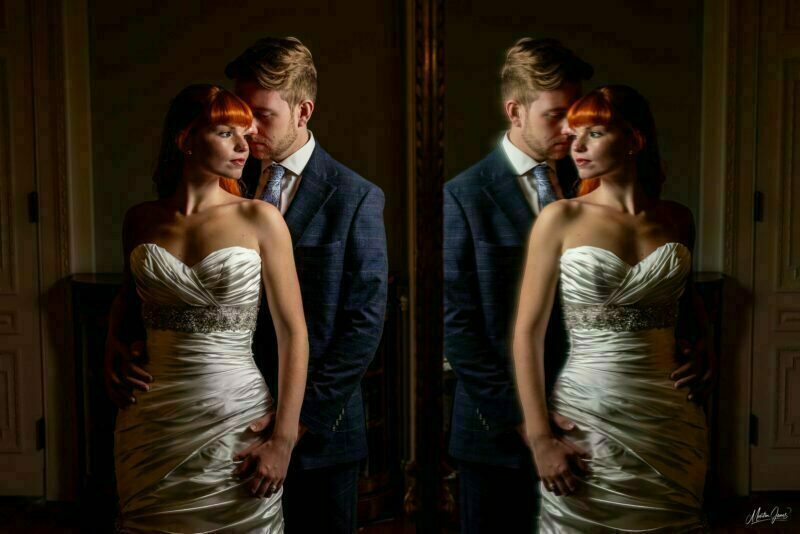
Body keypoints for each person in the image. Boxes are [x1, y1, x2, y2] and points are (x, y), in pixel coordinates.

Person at [106, 37, 389, 534]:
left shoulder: (354, 197)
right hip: (198, 420)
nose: (249, 131)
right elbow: (146, 285)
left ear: (303, 111)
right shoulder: (218, 168)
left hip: (317, 430)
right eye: (238, 115)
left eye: (261, 115)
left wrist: (291, 428)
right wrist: (115, 340)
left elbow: (362, 326)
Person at [444, 38, 713, 533]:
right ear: (515, 112)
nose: (571, 133)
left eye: (580, 117)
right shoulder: (463, 197)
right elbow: (459, 328)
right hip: (502, 428)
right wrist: (533, 427)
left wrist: (699, 346)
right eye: (557, 117)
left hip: (636, 420)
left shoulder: (599, 169)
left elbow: (678, 295)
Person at [106, 84, 309, 532]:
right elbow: (127, 299)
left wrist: (283, 440)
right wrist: (111, 351)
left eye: (245, 133)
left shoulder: (261, 219)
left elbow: (293, 333)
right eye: (225, 133)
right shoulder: (141, 219)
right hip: (150, 422)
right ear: (186, 139)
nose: (243, 146)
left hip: (234, 420)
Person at [513, 85, 712, 532]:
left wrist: (706, 348)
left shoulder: (677, 218)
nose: (577, 146)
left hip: (671, 421)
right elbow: (527, 333)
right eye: (574, 134)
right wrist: (541, 437)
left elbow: (687, 300)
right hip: (589, 418)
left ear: (634, 140)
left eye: (595, 133)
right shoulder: (561, 218)